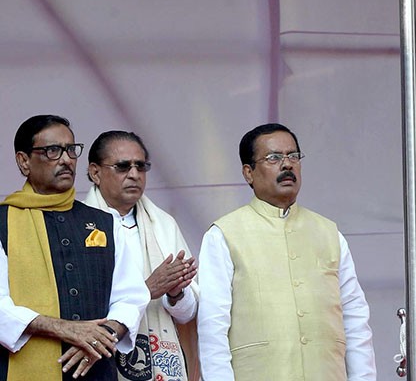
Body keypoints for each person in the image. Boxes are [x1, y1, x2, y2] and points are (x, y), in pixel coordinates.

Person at [197, 123, 375, 381]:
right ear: (249, 172)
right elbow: (213, 328)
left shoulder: (329, 233)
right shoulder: (224, 234)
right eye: (273, 158)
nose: (287, 164)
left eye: (293, 156)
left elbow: (355, 321)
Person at [0, 115, 149, 381]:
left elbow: (130, 297)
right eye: (52, 151)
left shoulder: (105, 222)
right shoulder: (3, 223)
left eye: (71, 150)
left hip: (96, 370)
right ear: (24, 161)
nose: (67, 159)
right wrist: (64, 328)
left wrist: (104, 337)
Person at [83, 130, 199, 381]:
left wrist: (176, 292)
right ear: (95, 172)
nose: (134, 174)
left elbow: (188, 313)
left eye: (141, 166)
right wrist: (147, 289)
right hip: (100, 362)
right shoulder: (79, 227)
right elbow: (78, 308)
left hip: (162, 359)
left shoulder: (164, 225)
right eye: (123, 166)